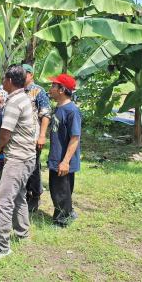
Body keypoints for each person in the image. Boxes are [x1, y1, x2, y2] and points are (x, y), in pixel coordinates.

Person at [0, 65, 36, 261]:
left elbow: (5, 132)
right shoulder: (24, 97)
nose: (2, 84)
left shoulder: (13, 102)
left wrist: (0, 148)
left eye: (4, 80)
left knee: (1, 200)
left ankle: (2, 247)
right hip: (27, 157)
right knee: (19, 196)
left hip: (18, 158)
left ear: (10, 81)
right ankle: (23, 233)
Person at [47, 74, 81, 227]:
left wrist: (65, 161)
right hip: (56, 156)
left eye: (54, 86)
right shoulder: (59, 107)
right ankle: (69, 212)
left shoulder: (71, 110)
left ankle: (62, 220)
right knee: (59, 189)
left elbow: (75, 138)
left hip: (63, 159)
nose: (51, 88)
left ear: (61, 90)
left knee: (60, 191)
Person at [22, 64, 51, 213]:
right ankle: (25, 193)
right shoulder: (18, 90)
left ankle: (35, 195)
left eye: (25, 73)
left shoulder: (38, 91)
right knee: (22, 167)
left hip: (33, 137)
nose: (22, 75)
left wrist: (42, 135)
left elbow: (45, 114)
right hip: (20, 138)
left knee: (33, 167)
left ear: (31, 75)